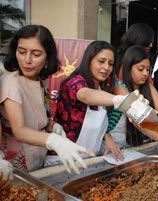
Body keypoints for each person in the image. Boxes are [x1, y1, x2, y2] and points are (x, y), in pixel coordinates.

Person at [0, 25, 93, 174]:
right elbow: (19, 130)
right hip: (15, 165)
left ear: (47, 57)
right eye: (22, 52)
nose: (27, 60)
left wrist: (53, 126)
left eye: (36, 54)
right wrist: (54, 141)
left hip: (38, 158)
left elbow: (42, 116)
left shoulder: (42, 81)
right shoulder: (10, 83)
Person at [51, 41, 131, 163]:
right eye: (101, 61)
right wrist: (118, 100)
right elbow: (85, 95)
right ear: (89, 60)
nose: (106, 68)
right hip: (62, 160)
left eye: (110, 64)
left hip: (89, 159)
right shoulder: (74, 82)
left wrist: (106, 135)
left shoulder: (102, 87)